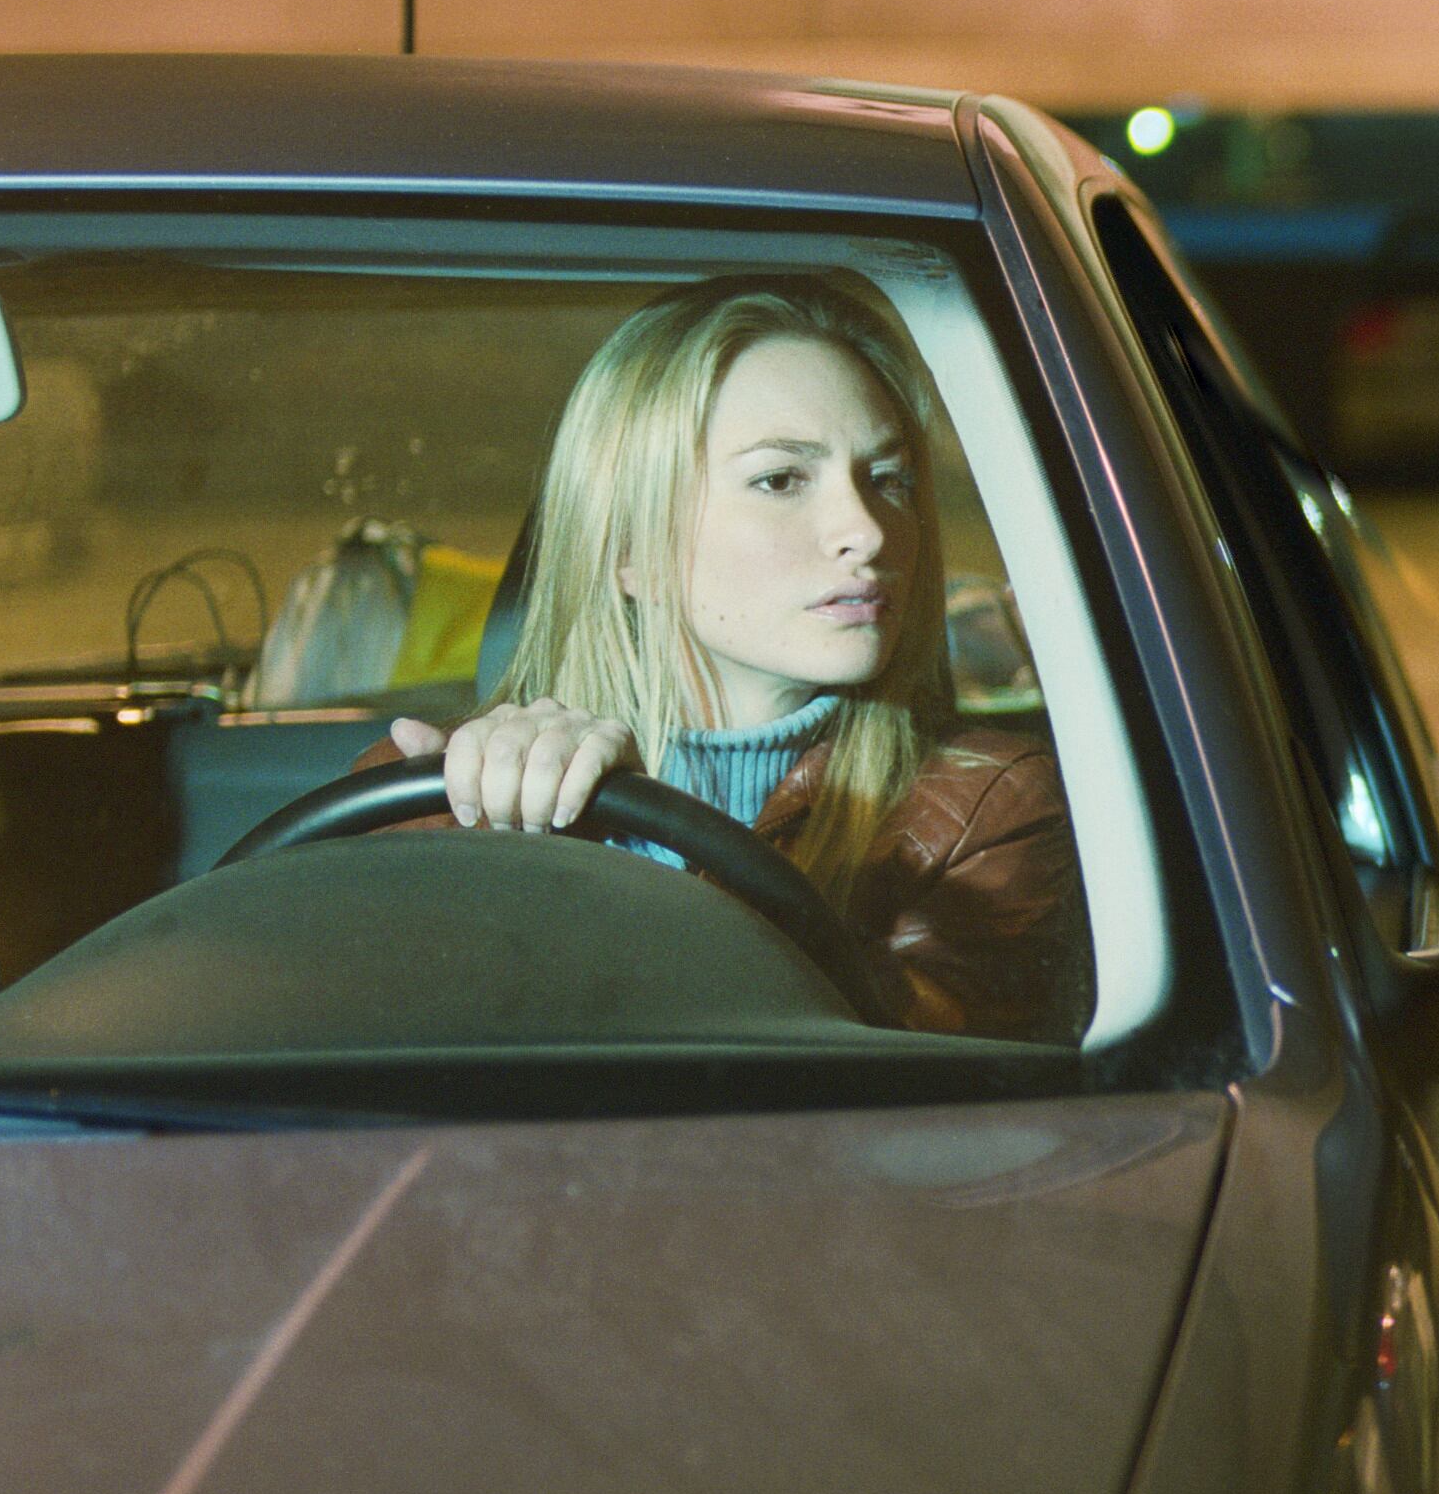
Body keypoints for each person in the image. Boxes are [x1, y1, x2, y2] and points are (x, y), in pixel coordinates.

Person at [385, 273, 1090, 1041]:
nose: (868, 530)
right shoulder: (440, 783)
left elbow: (875, 1087)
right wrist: (503, 828)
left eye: (889, 479)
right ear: (630, 547)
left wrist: (632, 843)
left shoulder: (985, 808)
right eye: (781, 479)